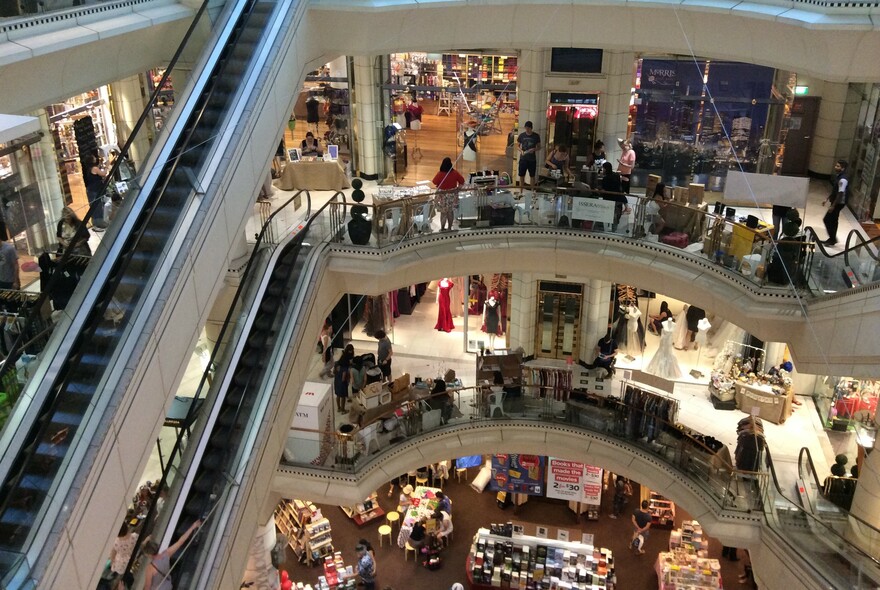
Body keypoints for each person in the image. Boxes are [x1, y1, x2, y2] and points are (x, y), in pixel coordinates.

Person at [142, 520, 201, 590]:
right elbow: (180, 541)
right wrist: (193, 526)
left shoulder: (150, 568)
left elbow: (147, 587)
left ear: (148, 554)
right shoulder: (166, 554)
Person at [822, 159, 849, 246]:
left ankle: (832, 239)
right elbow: (835, 191)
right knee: (833, 220)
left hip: (838, 203)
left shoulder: (842, 180)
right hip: (836, 202)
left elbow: (840, 194)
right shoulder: (838, 177)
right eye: (836, 165)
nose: (835, 167)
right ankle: (832, 239)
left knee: (827, 219)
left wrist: (833, 206)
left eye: (838, 166)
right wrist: (827, 199)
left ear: (843, 168)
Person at [433, 158, 465, 231]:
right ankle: (450, 227)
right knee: (450, 212)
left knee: (443, 213)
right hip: (452, 195)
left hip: (442, 195)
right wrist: (458, 189)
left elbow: (434, 182)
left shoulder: (440, 173)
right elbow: (462, 181)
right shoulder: (455, 173)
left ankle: (442, 228)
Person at [82, 153, 109, 229]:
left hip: (91, 189)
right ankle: (99, 223)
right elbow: (103, 174)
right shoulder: (95, 168)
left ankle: (96, 222)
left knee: (95, 206)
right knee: (97, 206)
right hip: (94, 190)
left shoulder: (90, 168)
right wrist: (107, 166)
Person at [108, 522, 138, 588]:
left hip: (121, 564)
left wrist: (112, 562)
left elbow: (112, 556)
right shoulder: (134, 536)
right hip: (133, 558)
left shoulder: (116, 542)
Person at [517, 121, 541, 194]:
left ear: (531, 128)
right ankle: (521, 191)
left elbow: (539, 147)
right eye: (526, 128)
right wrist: (521, 151)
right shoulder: (522, 135)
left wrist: (534, 149)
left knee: (532, 176)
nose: (527, 129)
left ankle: (532, 191)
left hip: (532, 159)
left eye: (528, 128)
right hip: (523, 158)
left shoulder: (536, 136)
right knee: (521, 176)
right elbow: (517, 146)